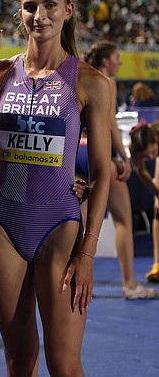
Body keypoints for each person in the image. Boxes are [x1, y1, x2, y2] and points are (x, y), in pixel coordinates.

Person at [0, 0, 112, 376]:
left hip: (60, 229)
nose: (40, 15)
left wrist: (87, 253)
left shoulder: (91, 83)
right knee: (19, 359)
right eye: (30, 6)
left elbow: (101, 173)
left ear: (68, 11)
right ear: (20, 13)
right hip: (2, 226)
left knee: (64, 364)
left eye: (50, 5)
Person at [78, 42, 156, 299]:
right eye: (116, 59)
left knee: (78, 224)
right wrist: (124, 157)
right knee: (123, 221)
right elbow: (109, 124)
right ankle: (130, 285)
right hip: (101, 156)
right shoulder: (105, 82)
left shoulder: (79, 77)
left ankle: (76, 281)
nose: (120, 63)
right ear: (105, 62)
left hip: (77, 153)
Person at [127, 122, 159, 282]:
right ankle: (158, 264)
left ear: (155, 140)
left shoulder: (155, 136)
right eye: (147, 156)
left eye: (152, 152)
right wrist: (157, 195)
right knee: (158, 209)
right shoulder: (135, 148)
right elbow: (142, 172)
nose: (151, 157)